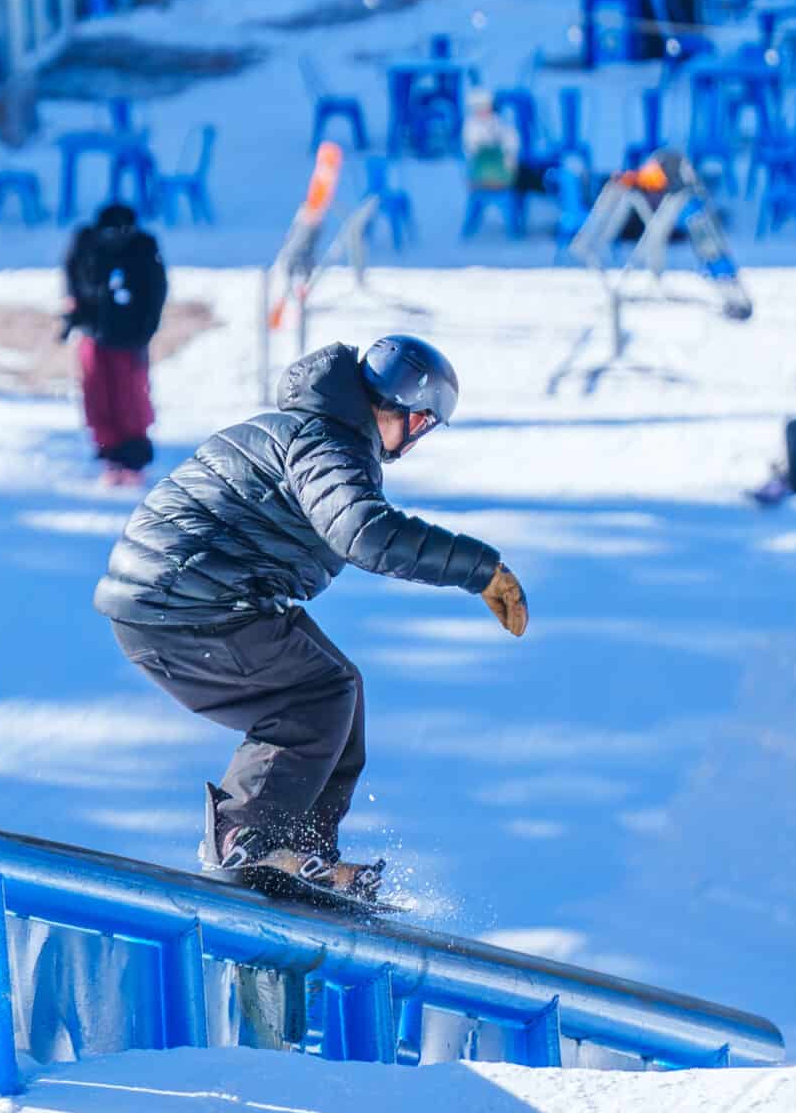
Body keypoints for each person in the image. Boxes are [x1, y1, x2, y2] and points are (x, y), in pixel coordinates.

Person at [95, 336, 530, 903]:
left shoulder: (313, 428)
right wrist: (481, 570)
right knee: (314, 695)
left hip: (184, 598)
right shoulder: (328, 441)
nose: (414, 440)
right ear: (406, 411)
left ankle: (301, 851)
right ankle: (245, 838)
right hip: (186, 603)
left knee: (338, 686)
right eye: (422, 426)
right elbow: (365, 533)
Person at [62, 201, 168, 484]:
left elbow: (155, 292)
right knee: (96, 394)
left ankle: (133, 459)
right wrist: (74, 312)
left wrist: (145, 329)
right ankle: (110, 458)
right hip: (93, 331)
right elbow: (73, 279)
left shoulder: (142, 250)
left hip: (129, 337)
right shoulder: (86, 246)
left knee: (130, 397)